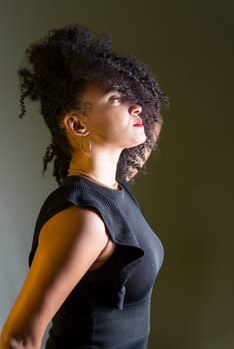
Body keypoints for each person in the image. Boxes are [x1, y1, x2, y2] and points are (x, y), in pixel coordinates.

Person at [0, 24, 168, 349]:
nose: (136, 106)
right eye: (116, 98)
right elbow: (19, 339)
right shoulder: (84, 218)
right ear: (77, 124)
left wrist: (123, 83)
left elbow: (153, 118)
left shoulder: (114, 186)